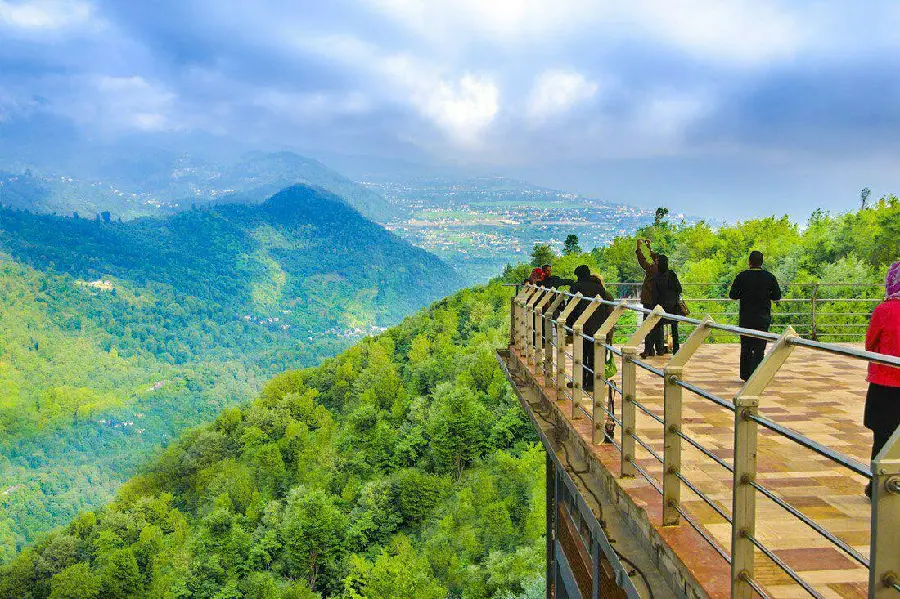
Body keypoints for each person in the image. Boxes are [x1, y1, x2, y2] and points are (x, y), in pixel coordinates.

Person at [863, 260, 900, 498]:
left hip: (884, 385)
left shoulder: (884, 310)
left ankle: (877, 487)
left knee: (883, 438)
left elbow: (869, 344)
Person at [729, 251, 782, 381]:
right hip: (762, 317)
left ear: (749, 262)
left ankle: (745, 374)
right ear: (762, 262)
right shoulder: (769, 277)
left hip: (746, 317)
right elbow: (777, 296)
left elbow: (733, 295)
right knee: (759, 347)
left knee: (746, 346)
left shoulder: (742, 276)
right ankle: (756, 374)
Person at [566, 265, 614, 392]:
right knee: (594, 354)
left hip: (581, 325)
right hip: (597, 325)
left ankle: (580, 380)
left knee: (581, 354)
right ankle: (593, 383)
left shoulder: (576, 287)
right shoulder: (600, 288)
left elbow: (572, 306)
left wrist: (568, 325)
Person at [649, 254, 683, 355]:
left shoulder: (656, 277)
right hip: (673, 306)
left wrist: (653, 307)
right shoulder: (672, 275)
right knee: (674, 329)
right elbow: (679, 289)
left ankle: (658, 349)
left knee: (656, 328)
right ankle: (676, 349)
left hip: (661, 307)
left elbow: (654, 295)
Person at [636, 239, 661, 357]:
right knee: (658, 324)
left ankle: (648, 349)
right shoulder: (662, 270)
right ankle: (659, 348)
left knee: (647, 324)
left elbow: (642, 261)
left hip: (649, 300)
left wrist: (639, 249)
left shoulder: (652, 270)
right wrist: (649, 248)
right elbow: (656, 257)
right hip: (659, 301)